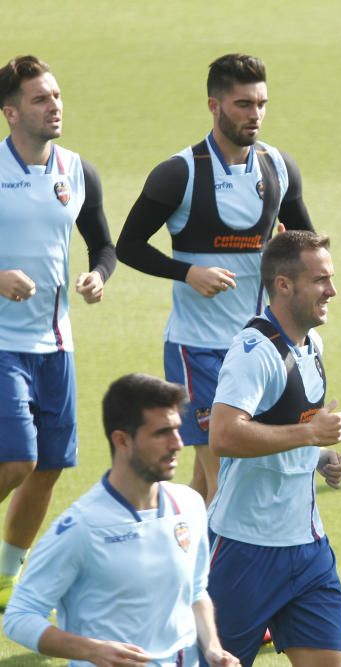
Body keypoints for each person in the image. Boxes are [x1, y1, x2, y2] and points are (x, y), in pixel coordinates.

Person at [116, 53, 314, 504]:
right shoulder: (179, 173)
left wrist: (285, 256)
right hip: (199, 348)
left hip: (259, 345)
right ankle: (215, 575)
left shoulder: (278, 167)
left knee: (206, 487)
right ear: (214, 105)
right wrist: (187, 272)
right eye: (243, 104)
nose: (255, 115)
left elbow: (307, 246)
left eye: (261, 103)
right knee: (227, 480)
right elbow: (126, 246)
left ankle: (166, 555)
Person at [3, 373, 239, 666]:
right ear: (122, 440)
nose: (177, 443)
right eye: (162, 433)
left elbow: (195, 589)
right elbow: (19, 616)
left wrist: (213, 648)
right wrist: (91, 650)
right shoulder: (81, 527)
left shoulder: (189, 505)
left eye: (177, 430)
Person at [0, 55, 116, 607]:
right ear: (10, 112)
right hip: (2, 344)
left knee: (47, 468)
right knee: (16, 460)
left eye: (57, 96)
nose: (55, 106)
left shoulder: (76, 170)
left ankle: (4, 577)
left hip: (56, 344)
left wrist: (97, 276)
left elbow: (104, 245)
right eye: (41, 99)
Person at [207, 230, 341, 666]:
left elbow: (284, 427)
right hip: (244, 549)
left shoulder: (312, 344)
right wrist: (309, 436)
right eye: (321, 280)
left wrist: (319, 456)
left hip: (307, 547)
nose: (333, 290)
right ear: (284, 285)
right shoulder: (253, 351)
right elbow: (224, 435)